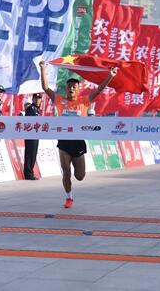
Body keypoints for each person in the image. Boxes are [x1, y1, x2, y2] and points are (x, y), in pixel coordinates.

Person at [40, 60, 117, 208]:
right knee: (66, 171)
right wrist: (43, 69)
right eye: (69, 87)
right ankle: (69, 197)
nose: (71, 89)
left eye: (74, 87)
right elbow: (45, 88)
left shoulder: (84, 101)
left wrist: (110, 75)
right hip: (64, 142)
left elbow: (99, 90)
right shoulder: (59, 100)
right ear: (66, 89)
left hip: (78, 142)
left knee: (80, 176)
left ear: (78, 89)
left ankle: (75, 180)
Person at [22, 93, 42, 180]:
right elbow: (28, 122)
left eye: (39, 98)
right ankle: (28, 174)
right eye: (36, 98)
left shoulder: (37, 109)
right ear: (33, 99)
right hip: (31, 135)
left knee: (33, 154)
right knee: (30, 154)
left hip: (35, 134)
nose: (37, 100)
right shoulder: (31, 108)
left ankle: (30, 172)